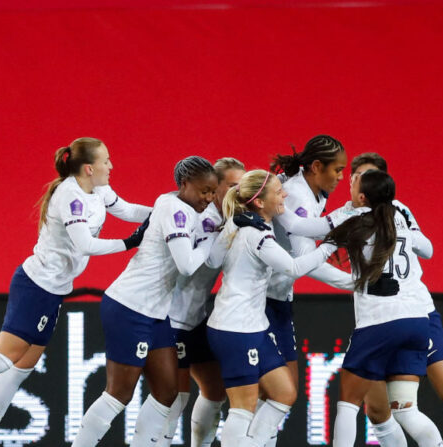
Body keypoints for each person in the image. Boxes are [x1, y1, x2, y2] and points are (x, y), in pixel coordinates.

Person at [0, 137, 152, 447]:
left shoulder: (98, 189)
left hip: (53, 291)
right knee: (3, 358)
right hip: (36, 287)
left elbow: (128, 209)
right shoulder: (71, 197)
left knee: (22, 367)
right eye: (106, 161)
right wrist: (129, 243)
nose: (112, 165)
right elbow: (85, 245)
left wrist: (164, 211)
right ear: (89, 168)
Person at [336, 153, 443, 447]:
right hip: (378, 315)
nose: (364, 182)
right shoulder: (348, 214)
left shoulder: (398, 210)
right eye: (358, 176)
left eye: (371, 176)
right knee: (379, 410)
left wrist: (398, 231)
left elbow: (427, 248)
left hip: (417, 312)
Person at [72, 156, 220, 447]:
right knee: (119, 394)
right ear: (185, 184)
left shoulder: (173, 205)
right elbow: (188, 265)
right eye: (204, 191)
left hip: (156, 314)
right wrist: (212, 237)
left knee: (168, 394)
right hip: (129, 307)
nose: (209, 198)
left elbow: (135, 210)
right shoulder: (177, 211)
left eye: (213, 192)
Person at [205, 169, 338, 447]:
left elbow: (213, 261)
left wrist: (231, 224)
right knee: (244, 407)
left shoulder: (249, 227)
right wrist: (331, 245)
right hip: (235, 329)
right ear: (259, 203)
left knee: (284, 393)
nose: (285, 195)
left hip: (254, 327)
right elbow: (294, 267)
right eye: (279, 192)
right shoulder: (257, 236)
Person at [260, 135, 357, 445]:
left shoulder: (315, 191)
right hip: (258, 302)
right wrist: (358, 283)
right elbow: (306, 261)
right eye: (338, 170)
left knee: (279, 395)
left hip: (278, 300)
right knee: (275, 394)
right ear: (317, 167)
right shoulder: (298, 196)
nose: (342, 177)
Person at [326, 169, 434, 447]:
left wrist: (356, 283)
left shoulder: (354, 220)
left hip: (380, 321)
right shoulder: (399, 216)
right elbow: (428, 249)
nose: (348, 184)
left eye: (354, 182)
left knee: (348, 402)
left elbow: (305, 233)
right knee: (407, 410)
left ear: (362, 197)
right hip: (418, 320)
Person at [155, 157, 246, 447]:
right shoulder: (201, 218)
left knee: (215, 389)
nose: (239, 193)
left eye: (243, 187)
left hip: (197, 318)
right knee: (175, 399)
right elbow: (211, 258)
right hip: (173, 319)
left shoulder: (228, 219)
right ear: (214, 187)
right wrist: (232, 227)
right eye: (233, 186)